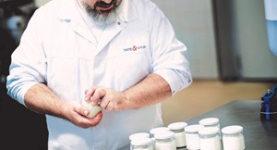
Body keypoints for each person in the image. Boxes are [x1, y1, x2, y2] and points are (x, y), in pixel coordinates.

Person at [6, 0, 192, 149]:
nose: (108, 0)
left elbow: (177, 71)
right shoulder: (47, 19)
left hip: (140, 144)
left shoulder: (146, 13)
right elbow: (20, 80)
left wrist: (126, 98)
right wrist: (62, 109)